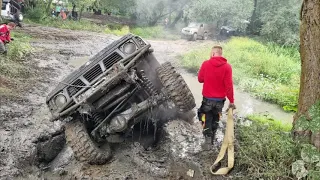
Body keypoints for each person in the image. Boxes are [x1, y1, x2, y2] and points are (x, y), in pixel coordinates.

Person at [197, 45, 236, 144]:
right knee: (216, 117)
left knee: (204, 116)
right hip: (220, 100)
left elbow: (200, 79)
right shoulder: (227, 67)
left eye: (211, 53)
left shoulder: (206, 64)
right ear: (220, 54)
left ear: (213, 53)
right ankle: (213, 136)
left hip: (207, 99)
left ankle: (207, 138)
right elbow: (229, 86)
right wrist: (231, 101)